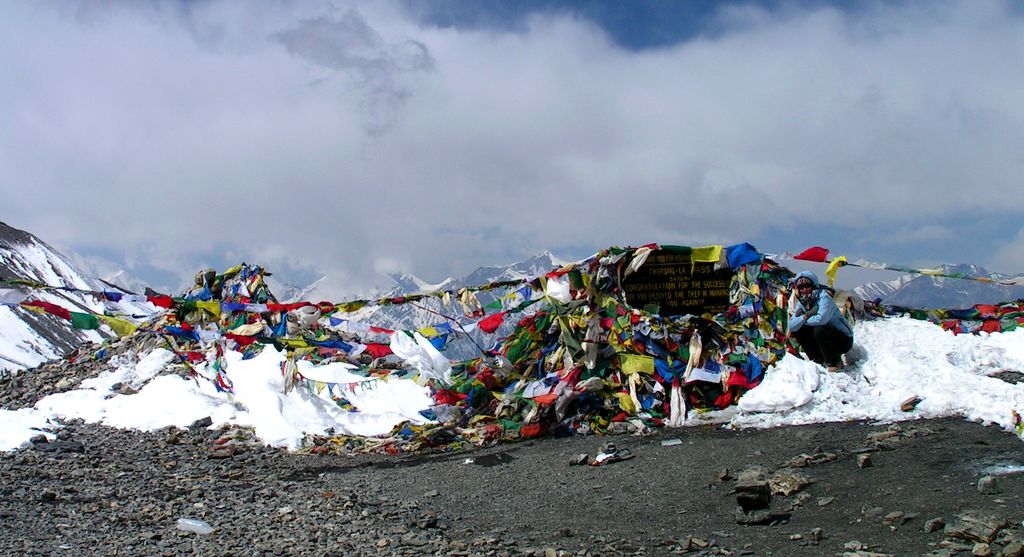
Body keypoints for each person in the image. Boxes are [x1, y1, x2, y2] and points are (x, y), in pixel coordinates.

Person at [788, 271, 854, 372]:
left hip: (843, 340)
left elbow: (821, 319)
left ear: (813, 286)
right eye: (801, 287)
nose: (804, 290)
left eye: (807, 286)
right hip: (824, 337)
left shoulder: (824, 298)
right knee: (798, 330)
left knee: (819, 329)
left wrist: (802, 319)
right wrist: (805, 317)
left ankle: (834, 361)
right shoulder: (802, 302)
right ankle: (817, 360)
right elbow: (792, 325)